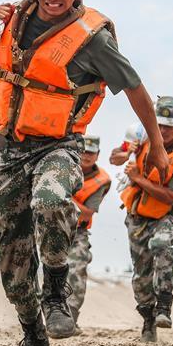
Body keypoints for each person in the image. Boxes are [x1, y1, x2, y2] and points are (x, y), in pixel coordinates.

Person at [0, 0, 170, 346]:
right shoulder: (13, 17)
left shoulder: (93, 40)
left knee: (52, 199)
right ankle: (31, 330)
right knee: (13, 253)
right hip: (7, 147)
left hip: (57, 144)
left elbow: (135, 90)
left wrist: (158, 144)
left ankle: (56, 290)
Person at [112, 96, 173, 342]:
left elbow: (171, 197)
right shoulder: (141, 137)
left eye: (168, 126)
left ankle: (164, 304)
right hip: (138, 214)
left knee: (162, 244)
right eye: (158, 124)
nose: (162, 130)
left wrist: (139, 179)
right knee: (141, 274)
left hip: (166, 214)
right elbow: (114, 157)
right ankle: (148, 319)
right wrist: (123, 154)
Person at [66, 135, 111, 333]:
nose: (86, 156)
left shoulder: (101, 181)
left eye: (91, 153)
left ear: (97, 155)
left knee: (77, 269)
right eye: (84, 151)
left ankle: (71, 317)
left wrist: (63, 196)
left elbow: (87, 212)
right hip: (51, 226)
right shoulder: (64, 167)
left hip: (78, 231)